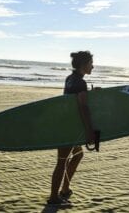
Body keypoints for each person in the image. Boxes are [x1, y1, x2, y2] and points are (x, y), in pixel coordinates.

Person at [47, 51, 96, 205]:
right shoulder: (80, 82)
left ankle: (65, 189)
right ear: (84, 64)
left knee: (78, 155)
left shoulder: (70, 78)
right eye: (91, 63)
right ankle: (54, 198)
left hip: (67, 124)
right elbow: (82, 107)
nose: (93, 66)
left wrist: (90, 94)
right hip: (68, 128)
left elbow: (73, 100)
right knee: (62, 161)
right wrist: (89, 130)